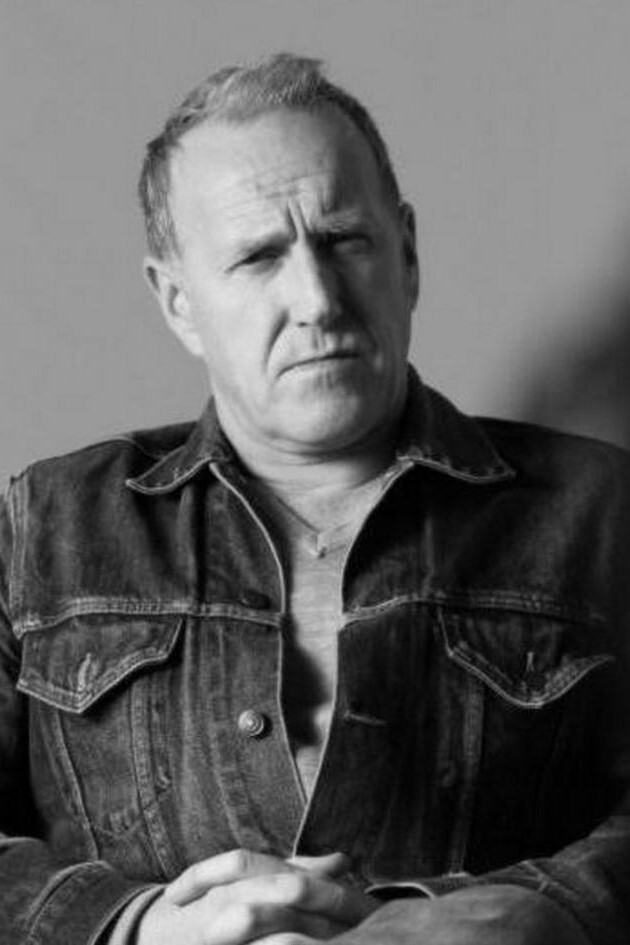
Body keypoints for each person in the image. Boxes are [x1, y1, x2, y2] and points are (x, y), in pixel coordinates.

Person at [0, 53, 629, 945]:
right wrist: (139, 925)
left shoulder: (602, 508)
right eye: (259, 257)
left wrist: (537, 911)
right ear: (178, 301)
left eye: (344, 240)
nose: (317, 298)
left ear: (406, 253)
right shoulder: (48, 525)